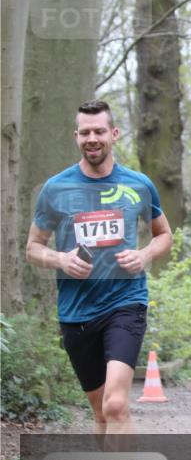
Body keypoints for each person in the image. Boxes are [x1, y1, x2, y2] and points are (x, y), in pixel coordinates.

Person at [26, 100, 172, 439]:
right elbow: (33, 247)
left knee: (115, 405)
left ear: (114, 134)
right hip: (76, 311)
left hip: (125, 302)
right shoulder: (56, 188)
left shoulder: (138, 184)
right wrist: (61, 259)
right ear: (76, 136)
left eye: (100, 131)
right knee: (100, 411)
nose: (93, 138)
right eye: (86, 132)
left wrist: (145, 254)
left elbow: (163, 234)